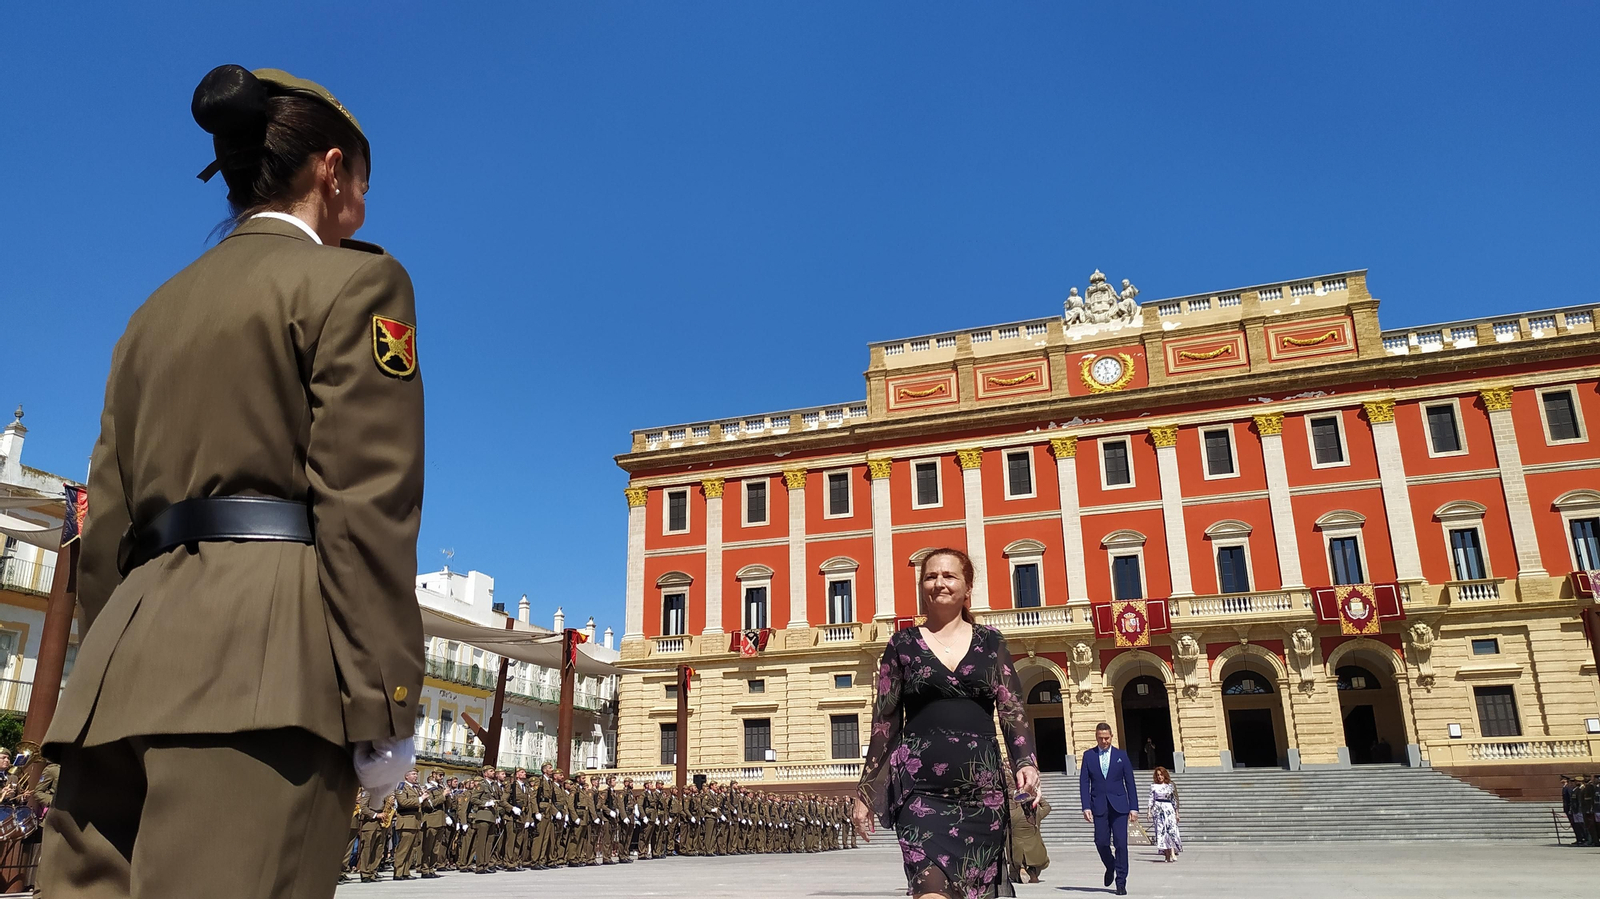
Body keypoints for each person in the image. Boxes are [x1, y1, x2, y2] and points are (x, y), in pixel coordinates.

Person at [37, 63, 424, 899]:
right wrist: (386, 700)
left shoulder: (152, 315)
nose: (363, 196)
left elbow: (105, 528)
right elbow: (366, 508)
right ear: (331, 170)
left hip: (120, 681)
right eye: (362, 177)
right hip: (267, 683)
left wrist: (117, 664)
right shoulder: (356, 282)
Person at [855, 547, 1040, 899]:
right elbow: (885, 723)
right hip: (920, 793)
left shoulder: (991, 642)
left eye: (949, 576)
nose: (939, 583)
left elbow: (1012, 708)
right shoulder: (902, 645)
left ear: (967, 587)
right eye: (930, 576)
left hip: (982, 794)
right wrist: (866, 789)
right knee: (930, 890)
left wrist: (1025, 762)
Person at [1080, 722, 1139, 895]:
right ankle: (1110, 865)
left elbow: (1130, 782)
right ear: (1096, 737)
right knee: (1101, 842)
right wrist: (1085, 806)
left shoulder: (1121, 755)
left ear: (1112, 737)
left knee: (1121, 844)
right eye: (1100, 738)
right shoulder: (1089, 756)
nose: (1104, 741)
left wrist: (1134, 807)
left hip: (1120, 806)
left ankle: (1121, 881)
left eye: (1106, 738)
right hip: (1098, 805)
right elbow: (1084, 782)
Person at [1006, 769, 1051, 884]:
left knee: (1017, 860)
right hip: (1034, 844)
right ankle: (1033, 874)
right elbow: (1047, 807)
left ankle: (1021, 868)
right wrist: (1037, 796)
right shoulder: (1036, 814)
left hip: (1017, 845)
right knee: (1034, 860)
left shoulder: (1012, 814)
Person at [1148, 766, 1182, 862]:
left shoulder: (1170, 786)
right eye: (1158, 775)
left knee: (1170, 831)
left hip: (1168, 809)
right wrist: (1149, 811)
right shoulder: (1153, 786)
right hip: (1158, 810)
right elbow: (1151, 798)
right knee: (1161, 832)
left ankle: (1172, 852)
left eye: (1161, 775)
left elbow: (1174, 800)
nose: (1160, 777)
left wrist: (1177, 813)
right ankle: (1166, 855)